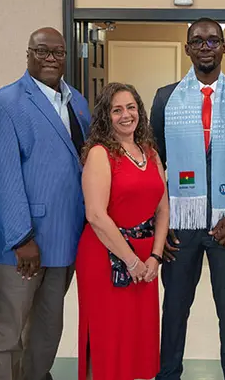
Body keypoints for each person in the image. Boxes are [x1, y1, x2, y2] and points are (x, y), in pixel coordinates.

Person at [0, 27, 91, 380]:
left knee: (45, 332)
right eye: (41, 52)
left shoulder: (78, 103)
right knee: (6, 333)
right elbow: (0, 178)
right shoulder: (2, 104)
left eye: (57, 52)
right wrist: (21, 238)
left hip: (64, 241)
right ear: (28, 54)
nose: (50, 59)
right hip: (19, 246)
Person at [150, 18, 225, 380]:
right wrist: (161, 229)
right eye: (198, 41)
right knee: (175, 310)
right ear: (187, 48)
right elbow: (154, 167)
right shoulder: (166, 98)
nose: (206, 46)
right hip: (181, 225)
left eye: (213, 41)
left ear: (224, 47)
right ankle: (168, 375)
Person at [76, 82, 169, 380]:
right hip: (106, 257)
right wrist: (131, 261)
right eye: (117, 110)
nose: (126, 115)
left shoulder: (150, 152)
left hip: (145, 261)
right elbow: (95, 215)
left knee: (136, 338)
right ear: (106, 116)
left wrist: (155, 256)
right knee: (108, 337)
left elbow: (163, 207)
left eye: (131, 107)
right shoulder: (100, 154)